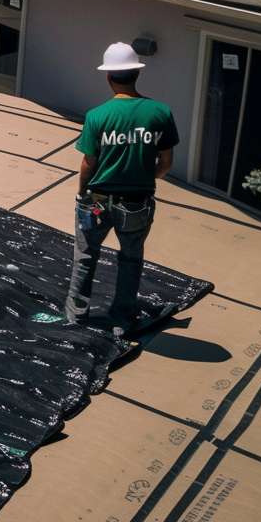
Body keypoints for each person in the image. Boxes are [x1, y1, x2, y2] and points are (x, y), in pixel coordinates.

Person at [64, 42, 179, 331]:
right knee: (130, 259)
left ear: (108, 77)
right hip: (137, 202)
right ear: (136, 74)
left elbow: (89, 163)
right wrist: (144, 176)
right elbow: (166, 162)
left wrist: (82, 194)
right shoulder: (160, 113)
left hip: (98, 201)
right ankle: (121, 319)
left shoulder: (97, 116)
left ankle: (76, 317)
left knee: (86, 256)